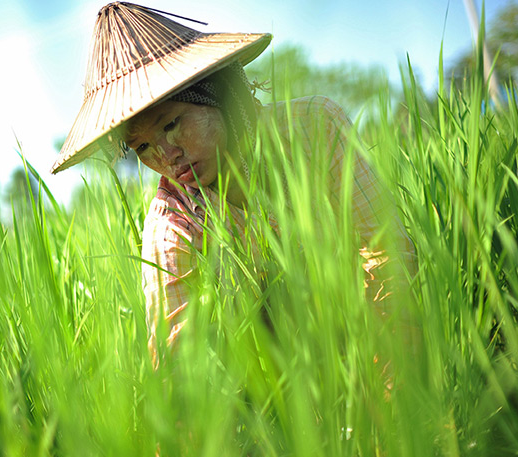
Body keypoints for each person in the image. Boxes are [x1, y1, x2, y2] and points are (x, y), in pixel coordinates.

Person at [51, 2, 417, 361]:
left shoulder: (316, 129)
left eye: (172, 124)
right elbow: (178, 365)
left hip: (367, 338)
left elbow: (385, 249)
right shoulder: (173, 229)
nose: (166, 156)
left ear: (217, 95)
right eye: (143, 146)